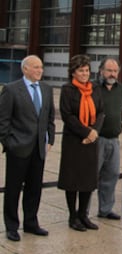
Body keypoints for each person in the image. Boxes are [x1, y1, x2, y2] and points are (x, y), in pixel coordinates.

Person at [0, 55, 55, 241]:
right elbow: (3, 121)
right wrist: (9, 144)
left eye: (41, 67)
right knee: (13, 189)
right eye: (36, 67)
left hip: (39, 149)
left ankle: (31, 223)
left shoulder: (46, 90)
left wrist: (50, 140)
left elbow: (49, 118)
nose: (40, 70)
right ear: (25, 69)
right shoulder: (11, 90)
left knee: (34, 188)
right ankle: (12, 226)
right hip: (18, 149)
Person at [58, 54, 104, 231]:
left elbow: (101, 112)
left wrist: (94, 132)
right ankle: (72, 217)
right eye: (81, 71)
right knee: (73, 180)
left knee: (87, 179)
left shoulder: (95, 89)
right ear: (73, 73)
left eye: (86, 70)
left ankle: (84, 215)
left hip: (91, 140)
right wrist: (86, 132)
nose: (85, 74)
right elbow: (67, 116)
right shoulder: (67, 90)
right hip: (74, 141)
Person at [95, 57, 122, 220]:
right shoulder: (93, 88)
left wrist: (121, 122)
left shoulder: (121, 88)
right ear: (101, 71)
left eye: (115, 71)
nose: (112, 74)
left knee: (111, 175)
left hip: (114, 139)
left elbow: (118, 109)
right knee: (91, 177)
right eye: (109, 70)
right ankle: (82, 212)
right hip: (96, 139)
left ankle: (105, 209)